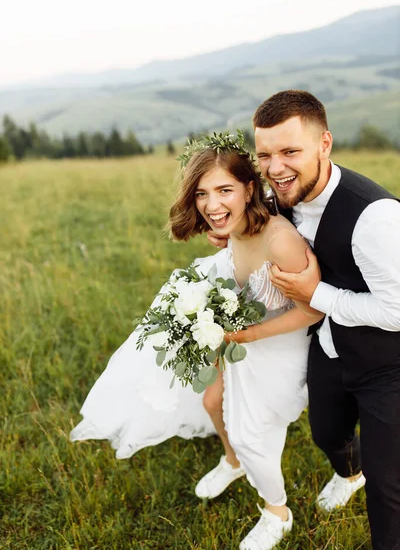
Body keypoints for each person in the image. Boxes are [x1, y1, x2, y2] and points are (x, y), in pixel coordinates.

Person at [70, 132, 323, 550]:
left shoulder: (281, 241)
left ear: (248, 187)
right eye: (202, 193)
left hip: (276, 343)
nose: (211, 204)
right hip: (239, 328)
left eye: (224, 190)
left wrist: (247, 334)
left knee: (249, 433)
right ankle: (233, 461)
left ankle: (277, 511)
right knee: (210, 400)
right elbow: (235, 256)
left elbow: (311, 311)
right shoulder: (236, 226)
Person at [207, 91, 400, 550]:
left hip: (388, 364)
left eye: (290, 151)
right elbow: (266, 221)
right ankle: (348, 474)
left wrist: (318, 294)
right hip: (330, 347)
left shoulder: (375, 218)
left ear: (324, 145)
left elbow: (397, 311)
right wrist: (234, 232)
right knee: (327, 432)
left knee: (389, 489)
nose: (275, 168)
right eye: (266, 154)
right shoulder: (282, 193)